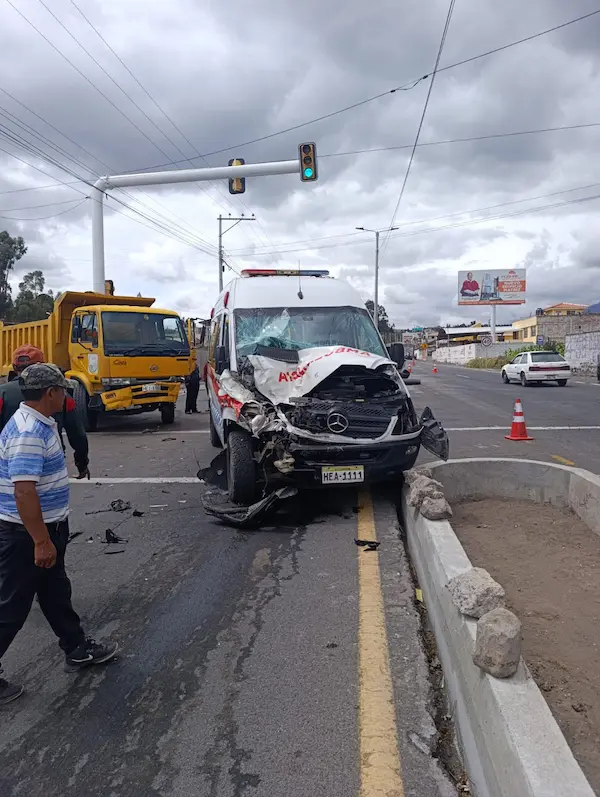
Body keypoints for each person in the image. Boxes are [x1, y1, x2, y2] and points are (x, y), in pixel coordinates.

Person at [0, 363, 118, 706]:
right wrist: (40, 540)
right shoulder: (28, 432)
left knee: (55, 591)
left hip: (44, 529)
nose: (66, 396)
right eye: (63, 390)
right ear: (49, 392)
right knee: (11, 606)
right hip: (26, 534)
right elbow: (24, 492)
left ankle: (76, 647)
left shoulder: (39, 422)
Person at [0, 345, 90, 480]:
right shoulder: (61, 395)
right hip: (50, 460)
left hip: (7, 462)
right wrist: (82, 463)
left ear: (14, 367)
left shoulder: (2, 394)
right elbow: (77, 434)